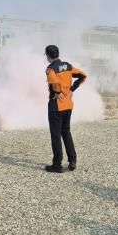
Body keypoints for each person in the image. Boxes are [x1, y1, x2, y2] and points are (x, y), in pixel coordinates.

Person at [44, 45, 87, 173]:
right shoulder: (68, 66)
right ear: (58, 54)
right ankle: (72, 160)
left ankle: (57, 165)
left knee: (56, 135)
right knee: (66, 132)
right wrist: (72, 89)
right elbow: (83, 75)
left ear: (48, 56)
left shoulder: (50, 69)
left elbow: (54, 82)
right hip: (68, 105)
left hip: (56, 106)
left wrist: (57, 92)